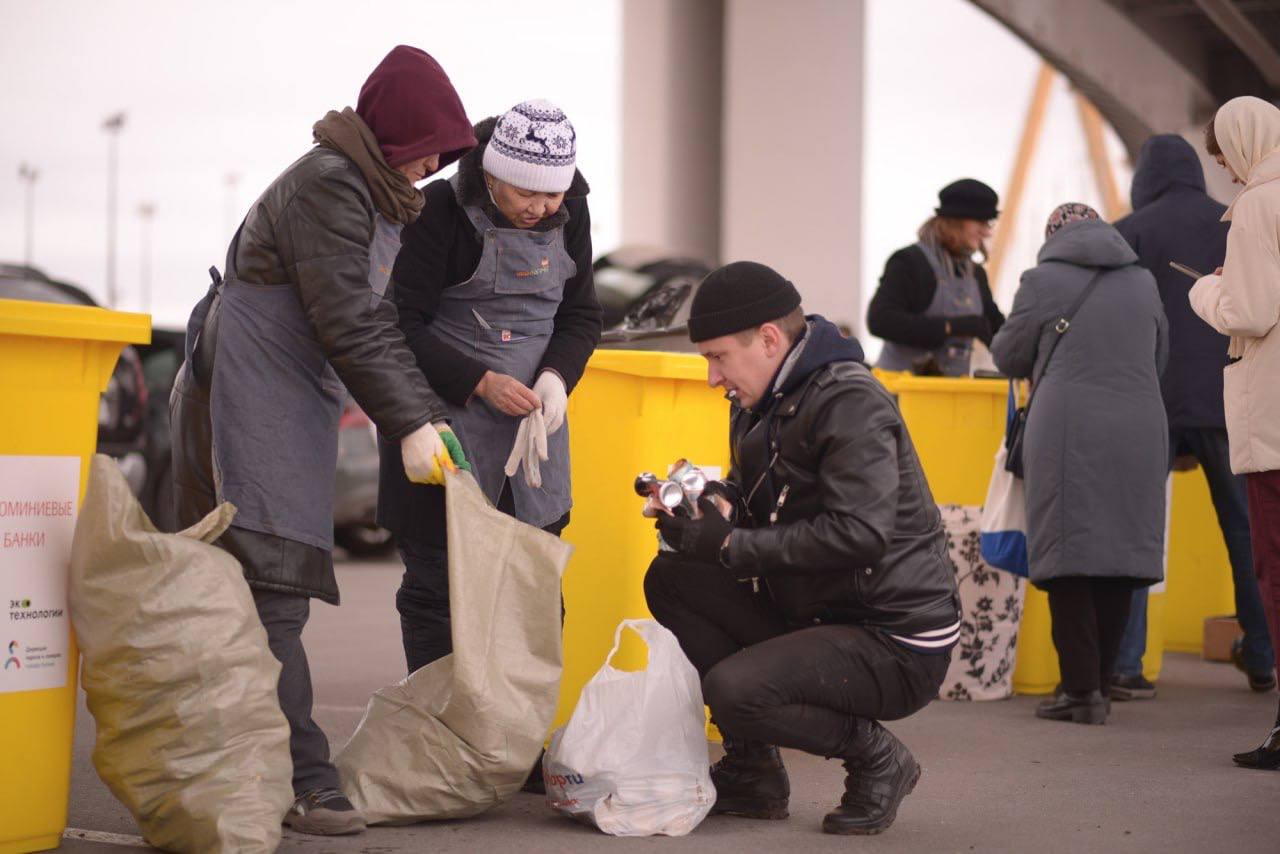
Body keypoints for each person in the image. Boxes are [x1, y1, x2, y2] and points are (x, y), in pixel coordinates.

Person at [169, 46, 475, 836]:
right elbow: (352, 318)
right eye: (429, 144)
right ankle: (308, 781)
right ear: (393, 132)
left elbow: (371, 323)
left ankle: (231, 769)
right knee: (269, 587)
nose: (436, 163)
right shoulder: (330, 187)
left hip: (290, 394)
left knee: (255, 592)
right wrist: (408, 421)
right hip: (250, 390)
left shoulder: (374, 192)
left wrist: (426, 413)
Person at [643, 261, 961, 836]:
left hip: (894, 637)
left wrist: (733, 544)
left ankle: (877, 758)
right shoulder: (758, 401)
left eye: (717, 356)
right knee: (672, 576)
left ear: (768, 339)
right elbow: (762, 496)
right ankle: (754, 771)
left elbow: (860, 533)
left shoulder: (850, 402)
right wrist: (707, 509)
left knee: (734, 689)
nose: (713, 377)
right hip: (821, 612)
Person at [377, 100, 601, 675]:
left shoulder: (570, 213)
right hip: (441, 425)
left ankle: (520, 748)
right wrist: (478, 381)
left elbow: (580, 316)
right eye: (528, 193)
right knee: (439, 594)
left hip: (533, 439)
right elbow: (398, 323)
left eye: (554, 195)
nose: (542, 208)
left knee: (534, 597)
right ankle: (441, 740)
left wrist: (555, 378)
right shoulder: (436, 213)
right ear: (494, 175)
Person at [1111, 134, 1275, 701]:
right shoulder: (1231, 219)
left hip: (1148, 400)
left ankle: (1127, 664)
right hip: (1224, 399)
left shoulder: (1129, 229)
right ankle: (1263, 654)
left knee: (1139, 532)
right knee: (1244, 531)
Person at [991, 204, 1168, 725]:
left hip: (1067, 427)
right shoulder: (1144, 282)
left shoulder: (1041, 279)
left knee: (1067, 556)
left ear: (1052, 236)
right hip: (1140, 426)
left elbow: (1008, 356)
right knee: (1120, 558)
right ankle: (1103, 687)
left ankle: (1079, 691)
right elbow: (1160, 358)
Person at [1189, 95, 1280, 770]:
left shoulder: (1258, 204)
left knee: (1275, 567)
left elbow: (1247, 311)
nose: (1225, 171)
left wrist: (1206, 292)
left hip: (1275, 418)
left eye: (1224, 157)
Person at [867, 178, 1006, 375]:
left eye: (989, 223)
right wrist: (950, 327)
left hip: (947, 397)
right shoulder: (910, 263)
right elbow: (880, 320)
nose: (987, 232)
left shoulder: (975, 275)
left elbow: (995, 328)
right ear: (955, 222)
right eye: (981, 222)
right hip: (900, 395)